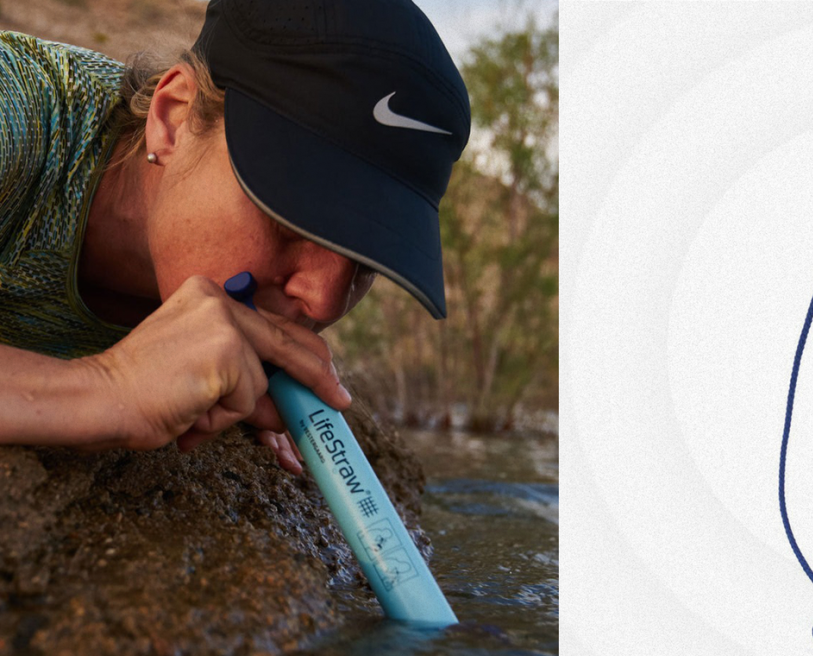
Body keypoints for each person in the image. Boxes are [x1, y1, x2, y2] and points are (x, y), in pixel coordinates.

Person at [0, 0, 470, 475]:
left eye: (368, 260)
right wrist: (108, 385)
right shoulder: (19, 114)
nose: (325, 302)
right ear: (174, 119)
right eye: (296, 218)